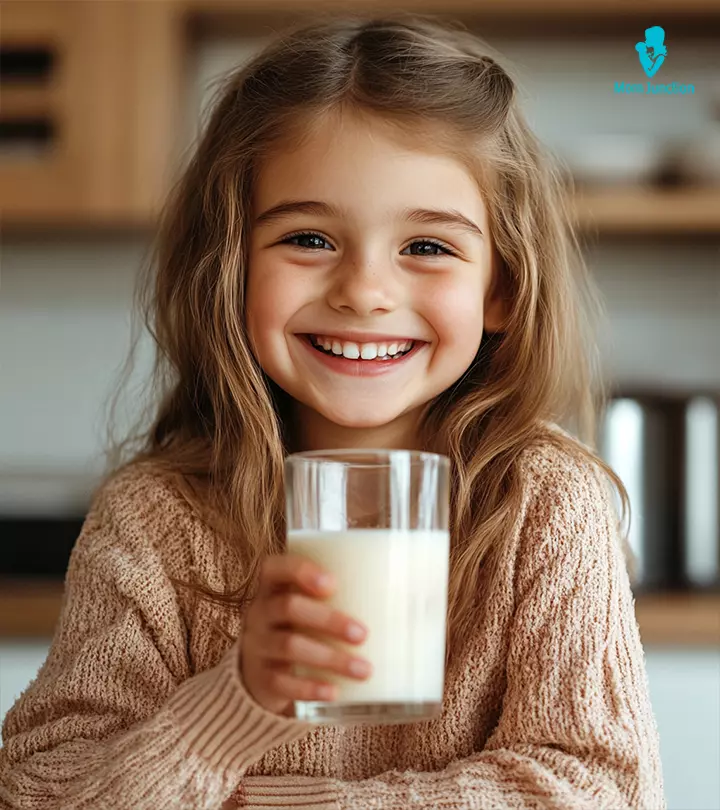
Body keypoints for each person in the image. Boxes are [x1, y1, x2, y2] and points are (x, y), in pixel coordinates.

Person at [0, 13, 666, 810]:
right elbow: (38, 791)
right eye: (309, 238)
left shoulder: (547, 504)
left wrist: (292, 804)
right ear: (231, 267)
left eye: (427, 247)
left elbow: (603, 787)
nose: (363, 291)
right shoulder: (155, 522)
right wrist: (231, 708)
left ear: (502, 290)